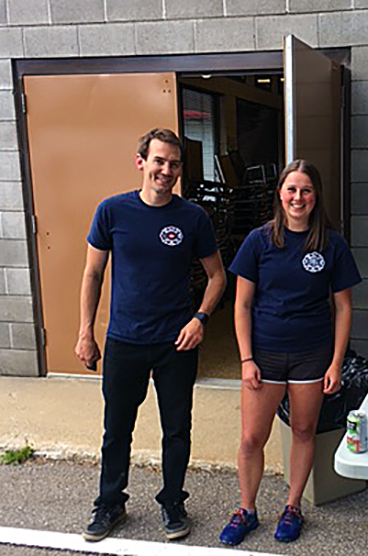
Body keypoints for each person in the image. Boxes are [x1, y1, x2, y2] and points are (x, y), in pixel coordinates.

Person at [74, 128, 226, 542]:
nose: (166, 170)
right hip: (125, 340)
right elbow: (92, 273)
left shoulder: (193, 218)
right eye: (159, 161)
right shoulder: (112, 212)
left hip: (175, 342)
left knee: (176, 428)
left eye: (174, 164)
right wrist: (86, 332)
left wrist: (200, 320)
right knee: (116, 428)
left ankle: (173, 501)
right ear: (141, 162)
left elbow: (217, 276)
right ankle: (110, 503)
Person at [219, 159, 361, 546]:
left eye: (306, 190)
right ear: (280, 194)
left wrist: (335, 362)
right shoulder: (259, 241)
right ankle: (246, 510)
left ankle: (293, 505)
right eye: (292, 189)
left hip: (310, 356)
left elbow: (344, 307)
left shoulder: (331, 244)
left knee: (302, 430)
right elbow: (242, 305)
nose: (298, 197)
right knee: (251, 438)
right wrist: (246, 359)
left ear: (316, 197)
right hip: (264, 356)